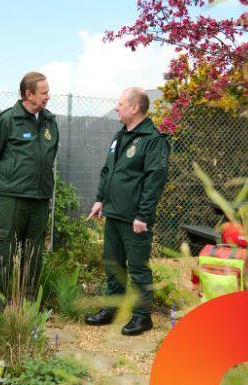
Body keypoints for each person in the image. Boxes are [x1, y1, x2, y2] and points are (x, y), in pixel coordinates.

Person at [85, 87, 170, 336]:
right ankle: (111, 309)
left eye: (120, 103)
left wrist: (143, 215)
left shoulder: (154, 139)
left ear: (135, 107)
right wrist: (101, 200)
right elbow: (107, 171)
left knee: (138, 269)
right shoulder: (120, 136)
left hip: (135, 219)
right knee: (113, 265)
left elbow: (155, 179)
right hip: (114, 212)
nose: (116, 107)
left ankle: (143, 317)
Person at [0, 72, 58, 300]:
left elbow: (49, 156)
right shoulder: (8, 120)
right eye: (44, 93)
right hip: (13, 199)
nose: (48, 97)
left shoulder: (49, 121)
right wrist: (6, 183)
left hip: (40, 199)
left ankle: (28, 304)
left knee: (34, 254)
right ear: (29, 94)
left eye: (48, 92)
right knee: (5, 250)